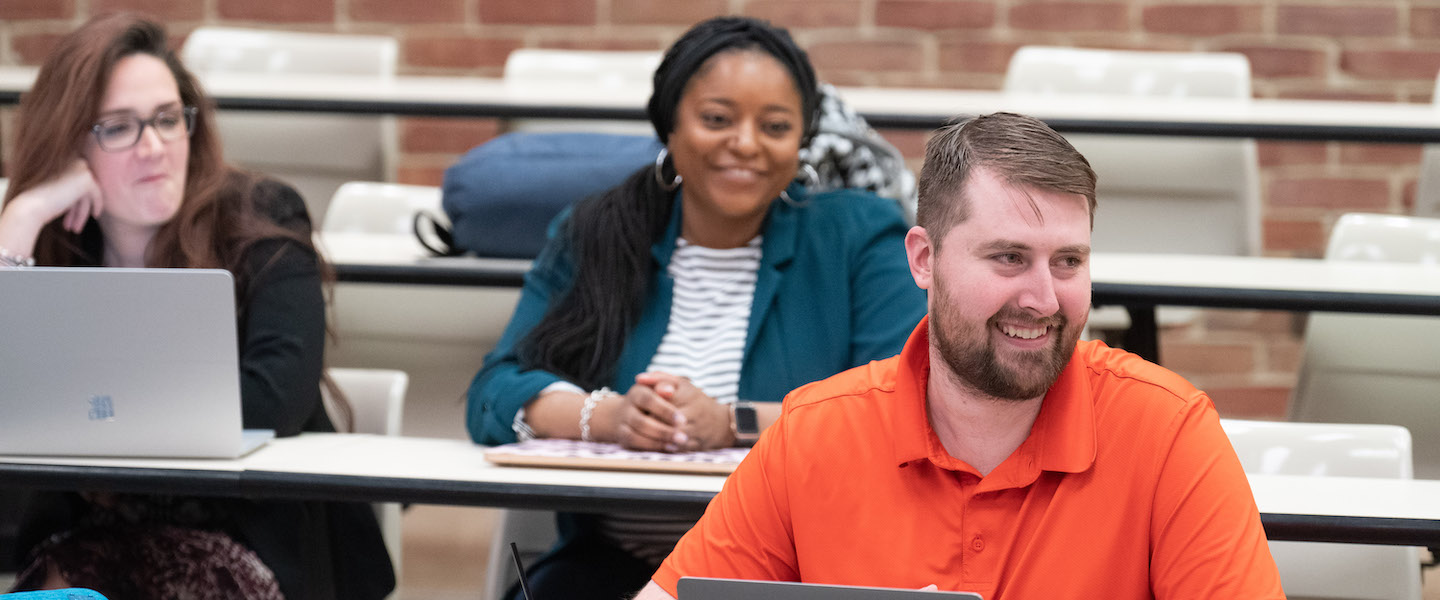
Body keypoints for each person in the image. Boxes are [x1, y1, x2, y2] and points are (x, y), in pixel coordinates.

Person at [634, 112, 1286, 600]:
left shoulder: (1167, 430)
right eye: (1008, 258)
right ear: (925, 258)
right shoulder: (814, 432)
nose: (1044, 298)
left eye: (1068, 262)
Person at [465, 16, 927, 600]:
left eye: (776, 126)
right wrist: (609, 418)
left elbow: (902, 407)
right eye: (717, 119)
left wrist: (733, 424)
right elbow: (493, 391)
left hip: (796, 573)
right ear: (669, 126)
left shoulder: (858, 236)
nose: (746, 143)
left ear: (802, 140)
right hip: (610, 568)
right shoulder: (597, 231)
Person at [0, 13, 394, 600]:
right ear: (68, 143)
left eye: (166, 119)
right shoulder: (54, 241)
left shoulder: (258, 218)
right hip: (86, 542)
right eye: (119, 128)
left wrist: (94, 427)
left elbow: (276, 395)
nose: (154, 147)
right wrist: (21, 219)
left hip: (247, 532)